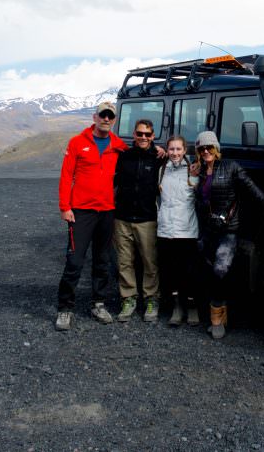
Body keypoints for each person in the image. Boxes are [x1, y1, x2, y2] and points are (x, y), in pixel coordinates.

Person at [193, 130, 264, 339]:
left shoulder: (231, 167)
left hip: (228, 229)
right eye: (201, 148)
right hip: (207, 230)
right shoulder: (199, 171)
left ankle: (216, 318)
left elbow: (249, 187)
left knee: (221, 270)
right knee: (209, 270)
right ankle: (221, 314)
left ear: (216, 148)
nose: (205, 151)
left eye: (209, 147)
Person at [55, 101, 126, 331]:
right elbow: (66, 175)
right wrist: (65, 207)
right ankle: (65, 308)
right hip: (81, 211)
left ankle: (99, 303)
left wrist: (159, 150)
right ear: (95, 117)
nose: (106, 119)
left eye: (110, 116)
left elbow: (138, 154)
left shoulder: (118, 145)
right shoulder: (78, 142)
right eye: (102, 115)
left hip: (106, 211)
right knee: (75, 261)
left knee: (103, 260)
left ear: (114, 120)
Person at [113, 119, 162, 322]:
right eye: (140, 134)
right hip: (122, 218)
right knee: (124, 262)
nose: (143, 137)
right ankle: (128, 298)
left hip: (147, 218)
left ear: (153, 136)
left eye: (147, 134)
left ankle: (151, 298)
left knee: (150, 262)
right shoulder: (124, 156)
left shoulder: (159, 158)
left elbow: (180, 164)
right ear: (134, 134)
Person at [156, 135, 200, 327]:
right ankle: (176, 307)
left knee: (189, 271)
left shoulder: (193, 169)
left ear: (184, 150)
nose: (175, 153)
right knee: (171, 271)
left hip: (187, 229)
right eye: (171, 149)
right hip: (166, 229)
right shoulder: (161, 170)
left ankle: (192, 307)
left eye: (178, 149)